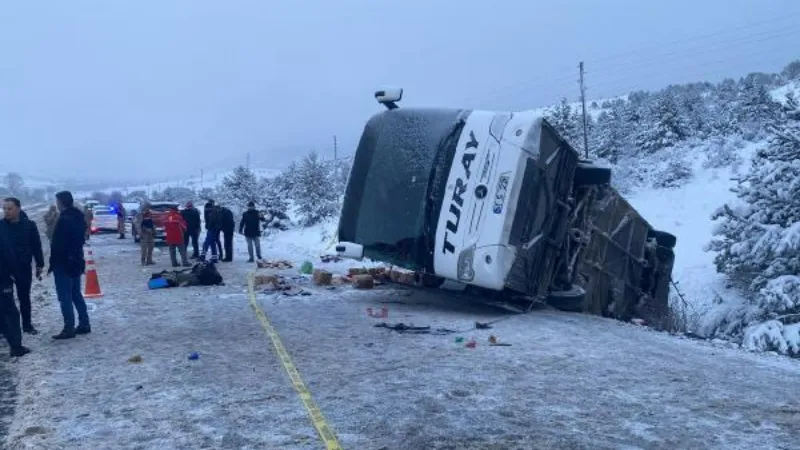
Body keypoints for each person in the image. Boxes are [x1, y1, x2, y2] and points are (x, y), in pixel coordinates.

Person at [49, 191, 91, 340]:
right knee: (75, 294)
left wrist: (54, 262)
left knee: (64, 297)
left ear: (61, 202)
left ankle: (69, 328)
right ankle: (84, 323)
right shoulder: (78, 217)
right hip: (76, 260)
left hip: (64, 263)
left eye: (57, 201)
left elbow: (59, 244)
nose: (56, 204)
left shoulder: (65, 219)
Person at [2, 198, 45, 335]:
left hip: (23, 267)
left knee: (24, 298)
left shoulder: (29, 225)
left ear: (18, 208)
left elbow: (36, 246)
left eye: (9, 208)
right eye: (4, 209)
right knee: (5, 300)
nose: (6, 212)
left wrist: (39, 264)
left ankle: (27, 325)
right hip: (4, 269)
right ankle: (5, 329)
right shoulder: (1, 226)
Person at [0, 220, 30, 357]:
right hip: (3, 278)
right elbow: (7, 253)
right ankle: (16, 346)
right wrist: (14, 273)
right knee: (10, 313)